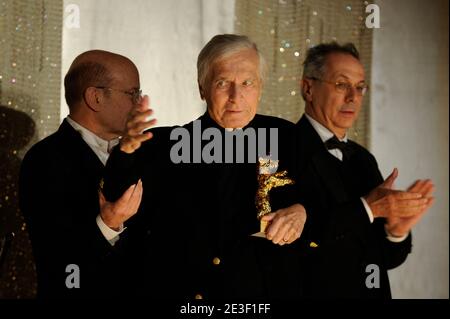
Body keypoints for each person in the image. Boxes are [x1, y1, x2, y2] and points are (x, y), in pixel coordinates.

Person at [103, 34, 307, 299]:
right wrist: (127, 149)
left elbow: (328, 208)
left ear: (261, 86)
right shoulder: (164, 146)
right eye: (223, 83)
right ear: (202, 88)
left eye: (247, 83)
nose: (236, 96)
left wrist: (303, 211)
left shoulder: (288, 139)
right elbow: (116, 202)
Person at [293, 42, 435, 298]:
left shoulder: (364, 159)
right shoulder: (280, 149)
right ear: (308, 88)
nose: (353, 97)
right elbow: (293, 243)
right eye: (341, 84)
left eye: (360, 88)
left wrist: (395, 232)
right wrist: (368, 209)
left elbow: (383, 260)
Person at [19, 50, 144, 298]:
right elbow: (61, 263)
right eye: (133, 93)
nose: (139, 104)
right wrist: (107, 225)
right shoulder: (45, 161)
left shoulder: (137, 155)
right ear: (95, 97)